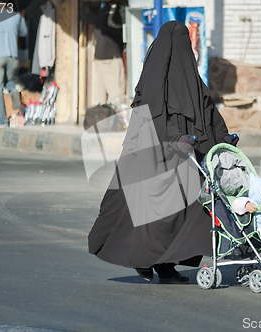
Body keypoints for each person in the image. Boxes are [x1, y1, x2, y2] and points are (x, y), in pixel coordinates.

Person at [88, 21, 238, 284]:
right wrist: (174, 137)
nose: (183, 48)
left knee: (185, 212)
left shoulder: (191, 76)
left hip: (186, 153)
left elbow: (207, 109)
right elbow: (151, 114)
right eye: (178, 42)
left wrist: (223, 135)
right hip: (155, 155)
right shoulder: (154, 79)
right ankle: (147, 261)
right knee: (155, 216)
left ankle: (165, 268)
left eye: (186, 42)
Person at [92, 1, 125, 105]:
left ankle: (98, 118)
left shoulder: (103, 10)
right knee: (116, 94)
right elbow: (111, 26)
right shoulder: (114, 9)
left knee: (99, 96)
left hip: (99, 56)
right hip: (111, 57)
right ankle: (115, 121)